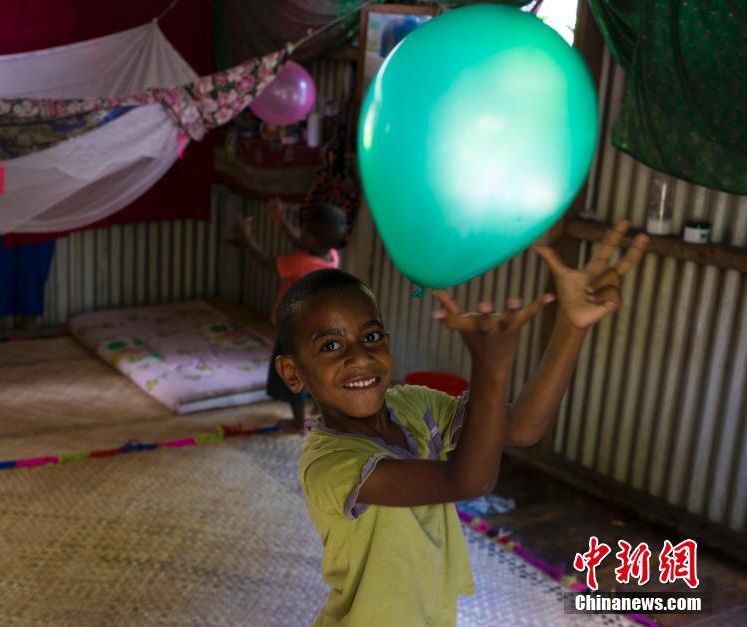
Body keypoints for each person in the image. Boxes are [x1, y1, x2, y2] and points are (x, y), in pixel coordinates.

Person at [272, 221, 648, 625]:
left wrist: (572, 325)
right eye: (330, 345)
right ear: (293, 372)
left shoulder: (413, 405)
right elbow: (467, 481)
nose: (360, 357)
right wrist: (491, 370)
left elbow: (521, 427)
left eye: (372, 337)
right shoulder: (329, 465)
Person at [235, 198, 349, 433]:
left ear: (310, 238)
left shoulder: (299, 263)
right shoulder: (332, 257)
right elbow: (304, 243)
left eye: (303, 227)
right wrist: (281, 222)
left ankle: (298, 424)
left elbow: (264, 260)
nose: (300, 230)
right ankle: (321, 408)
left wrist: (245, 236)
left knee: (292, 376)